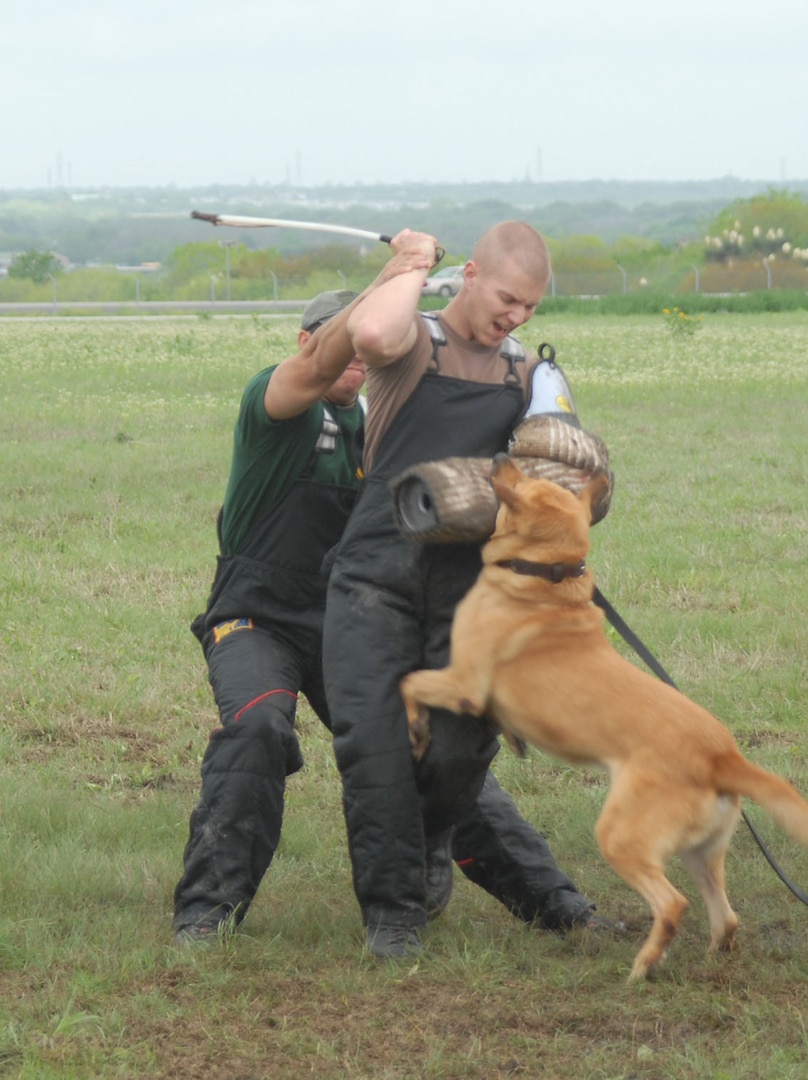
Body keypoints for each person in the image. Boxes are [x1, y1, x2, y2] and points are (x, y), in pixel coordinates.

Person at [173, 232, 605, 949]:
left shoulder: (385, 419)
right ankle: (206, 913)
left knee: (431, 752)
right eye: (329, 345)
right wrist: (403, 268)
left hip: (354, 614)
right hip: (261, 620)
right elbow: (333, 354)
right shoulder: (277, 407)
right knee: (257, 729)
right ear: (310, 341)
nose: (346, 362)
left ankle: (558, 905)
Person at [324, 221, 613, 959]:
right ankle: (393, 915)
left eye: (531, 309)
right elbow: (371, 331)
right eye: (509, 298)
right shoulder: (416, 341)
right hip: (373, 575)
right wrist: (414, 264)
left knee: (461, 742)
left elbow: (562, 477)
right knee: (375, 745)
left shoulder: (530, 376)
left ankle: (433, 839)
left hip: (470, 585)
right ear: (472, 274)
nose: (517, 318)